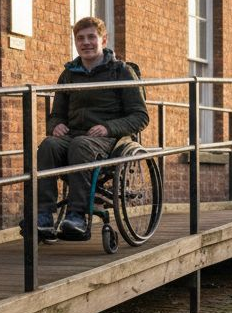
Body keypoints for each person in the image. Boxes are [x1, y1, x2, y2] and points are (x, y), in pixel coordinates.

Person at [33, 16, 149, 240]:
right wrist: (55, 125)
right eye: (80, 38)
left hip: (110, 140)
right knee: (48, 145)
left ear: (103, 40)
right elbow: (56, 114)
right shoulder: (69, 74)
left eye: (91, 37)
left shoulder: (121, 72)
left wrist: (107, 127)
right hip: (75, 136)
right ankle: (44, 215)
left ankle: (77, 215)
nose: (86, 43)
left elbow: (140, 116)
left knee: (80, 145)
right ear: (75, 42)